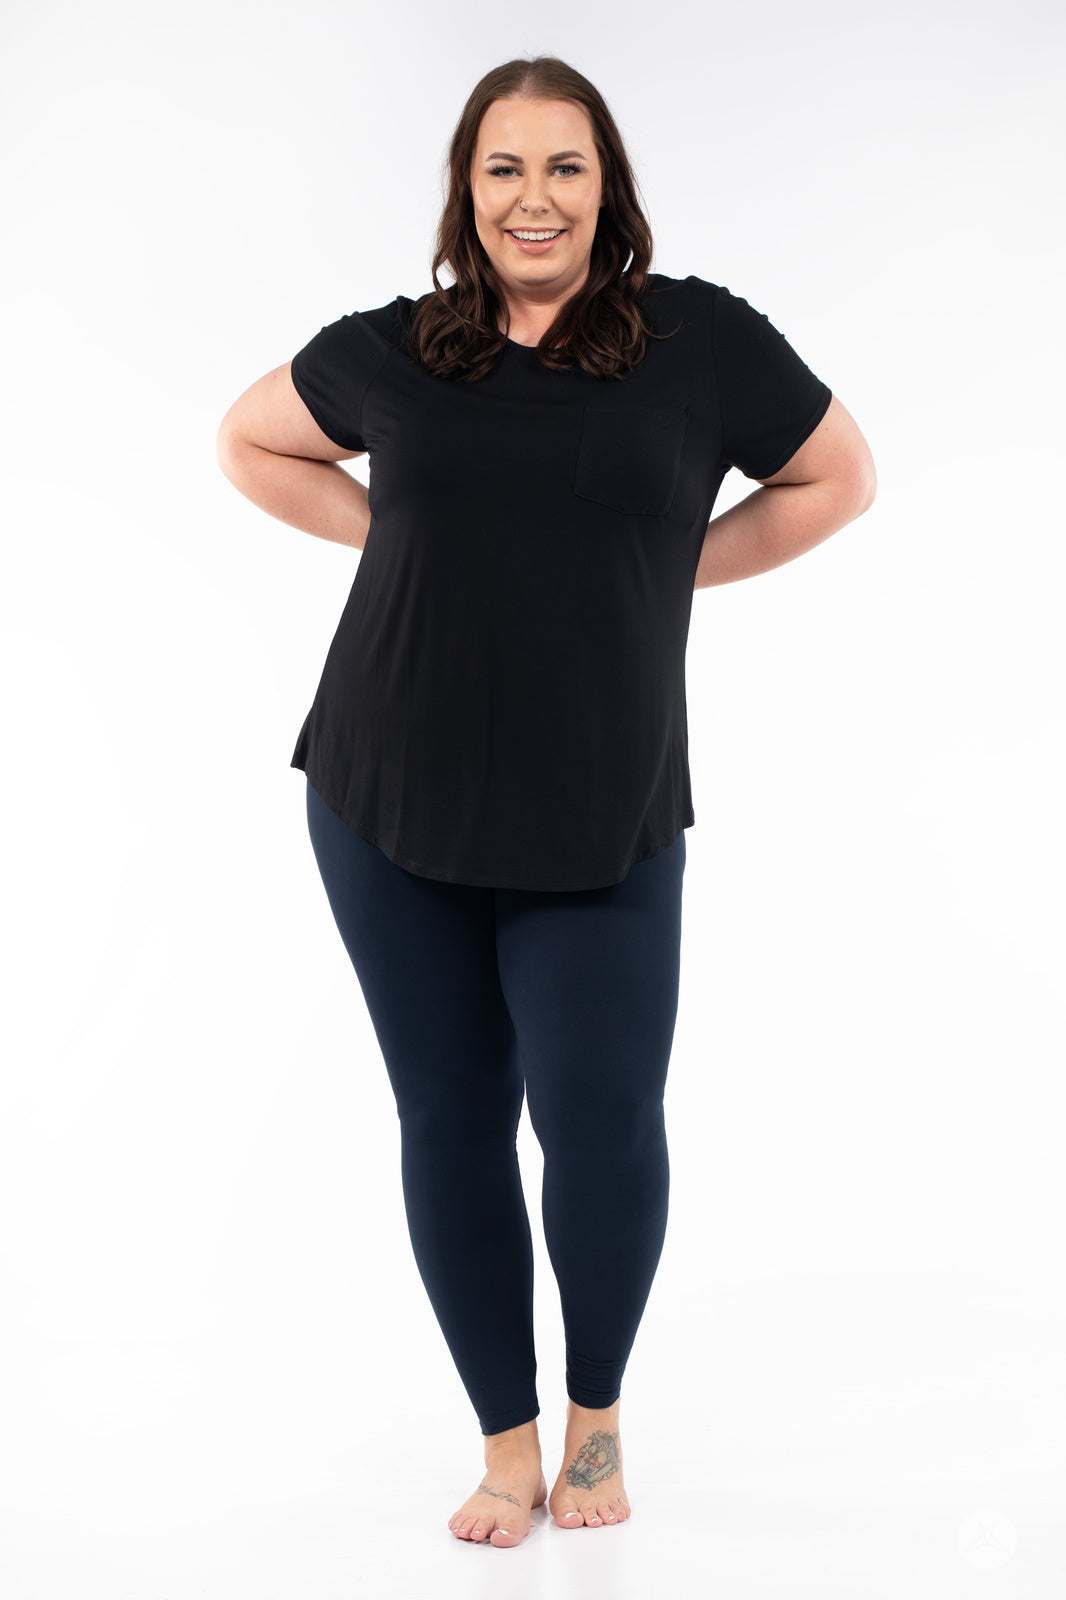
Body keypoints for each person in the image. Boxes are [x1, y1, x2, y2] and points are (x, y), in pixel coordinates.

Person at [216, 54, 876, 1550]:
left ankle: (594, 1424)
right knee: (450, 1115)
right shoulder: (395, 352)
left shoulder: (698, 341)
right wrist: (392, 537)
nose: (533, 197)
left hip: (602, 803)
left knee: (597, 1118)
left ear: (607, 187)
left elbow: (834, 479)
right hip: (388, 789)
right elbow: (249, 439)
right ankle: (504, 1442)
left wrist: (663, 572)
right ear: (465, 188)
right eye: (503, 168)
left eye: (563, 168)